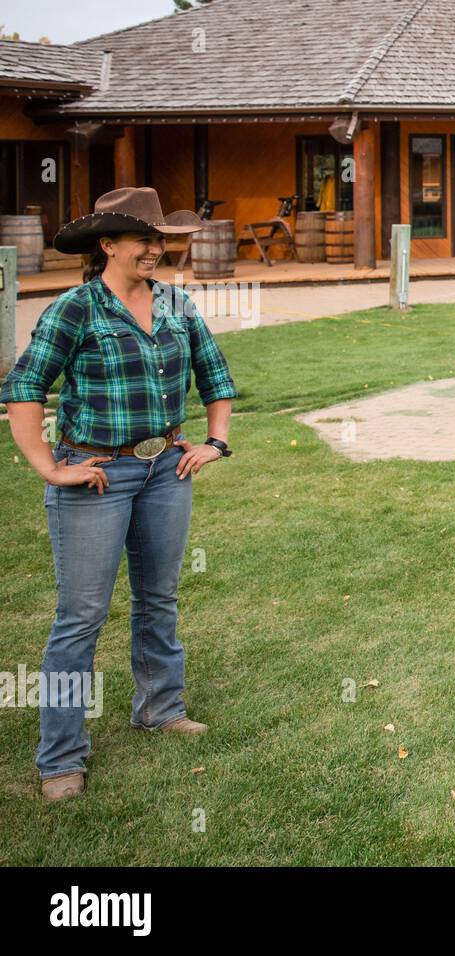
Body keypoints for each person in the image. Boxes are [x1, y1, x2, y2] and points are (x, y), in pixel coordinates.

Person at [0, 186, 238, 801]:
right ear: (108, 244)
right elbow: (24, 388)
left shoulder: (179, 305)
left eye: (160, 240)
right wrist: (50, 468)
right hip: (98, 475)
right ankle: (60, 759)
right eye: (143, 239)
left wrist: (214, 442)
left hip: (166, 470)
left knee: (158, 598)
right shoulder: (75, 309)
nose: (155, 250)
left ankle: (160, 708)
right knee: (80, 619)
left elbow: (215, 377)